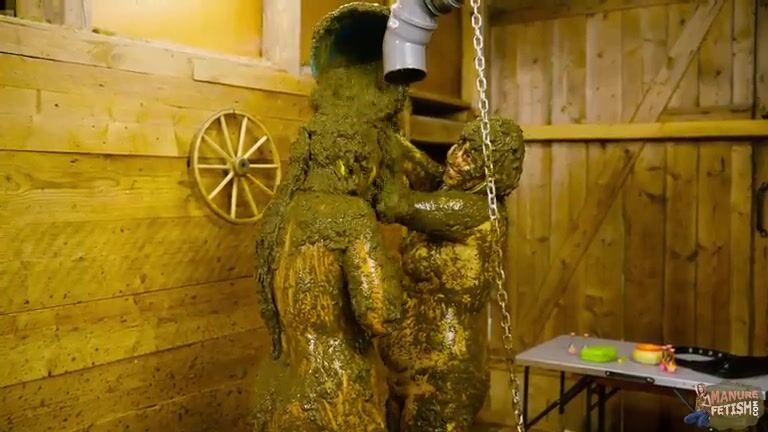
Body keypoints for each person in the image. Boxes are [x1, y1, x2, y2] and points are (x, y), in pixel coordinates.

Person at [250, 4, 409, 431]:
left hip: (277, 386)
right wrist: (396, 275)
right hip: (335, 392)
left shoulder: (282, 212)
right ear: (354, 161)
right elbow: (378, 314)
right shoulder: (350, 216)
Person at [378, 117, 525, 432]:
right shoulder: (451, 189)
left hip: (442, 377)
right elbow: (419, 166)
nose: (455, 157)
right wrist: (381, 132)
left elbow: (396, 205)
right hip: (405, 372)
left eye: (470, 155)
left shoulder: (477, 211)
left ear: (490, 172)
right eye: (459, 144)